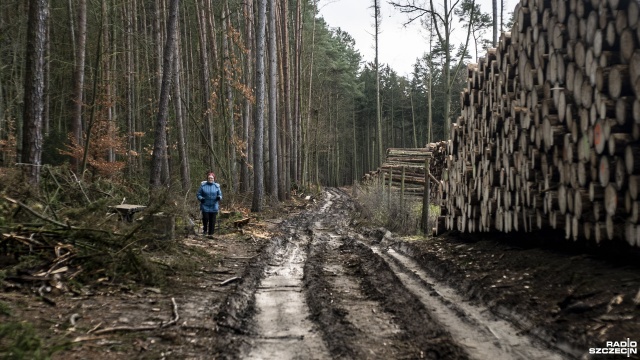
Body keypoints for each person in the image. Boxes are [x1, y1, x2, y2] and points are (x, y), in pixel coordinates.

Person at [197, 172, 222, 237]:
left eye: (212, 178)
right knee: (205, 218)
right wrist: (201, 198)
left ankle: (211, 233)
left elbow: (220, 194)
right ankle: (205, 230)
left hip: (214, 205)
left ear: (214, 179)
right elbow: (198, 194)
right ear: (207, 179)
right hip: (205, 204)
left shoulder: (217, 186)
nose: (210, 179)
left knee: (212, 220)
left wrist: (219, 197)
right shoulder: (203, 186)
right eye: (209, 178)